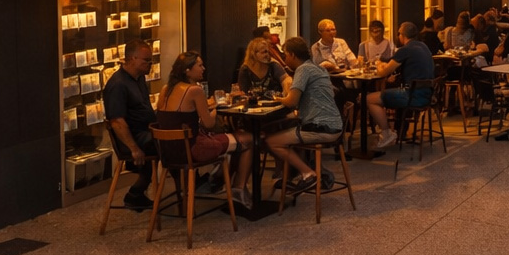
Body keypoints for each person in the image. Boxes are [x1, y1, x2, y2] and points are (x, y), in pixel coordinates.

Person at [157, 51, 253, 207]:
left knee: (236, 140)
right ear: (187, 70)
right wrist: (218, 106)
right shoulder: (194, 90)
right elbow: (209, 124)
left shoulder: (166, 89)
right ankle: (238, 188)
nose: (204, 68)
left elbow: (176, 118)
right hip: (193, 149)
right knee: (248, 139)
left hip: (169, 151)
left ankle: (217, 180)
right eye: (200, 65)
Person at [267, 36, 346, 195]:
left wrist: (276, 98)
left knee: (272, 141)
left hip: (320, 128)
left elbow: (291, 101)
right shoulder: (318, 68)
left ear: (292, 55)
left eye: (285, 55)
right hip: (336, 125)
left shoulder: (303, 70)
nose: (285, 58)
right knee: (290, 129)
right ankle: (306, 173)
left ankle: (308, 174)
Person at [103, 38, 158, 211]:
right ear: (132, 58)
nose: (150, 64)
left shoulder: (138, 78)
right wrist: (134, 148)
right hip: (134, 138)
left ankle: (136, 193)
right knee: (173, 145)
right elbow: (117, 121)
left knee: (173, 138)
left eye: (151, 60)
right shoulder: (118, 85)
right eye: (146, 60)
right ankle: (185, 189)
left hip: (145, 131)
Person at [366, 21, 431, 148]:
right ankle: (396, 131)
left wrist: (379, 64)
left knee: (370, 99)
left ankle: (387, 134)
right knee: (390, 89)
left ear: (402, 35)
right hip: (427, 93)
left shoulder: (406, 49)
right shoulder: (423, 46)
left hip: (412, 95)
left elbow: (384, 71)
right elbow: (394, 62)